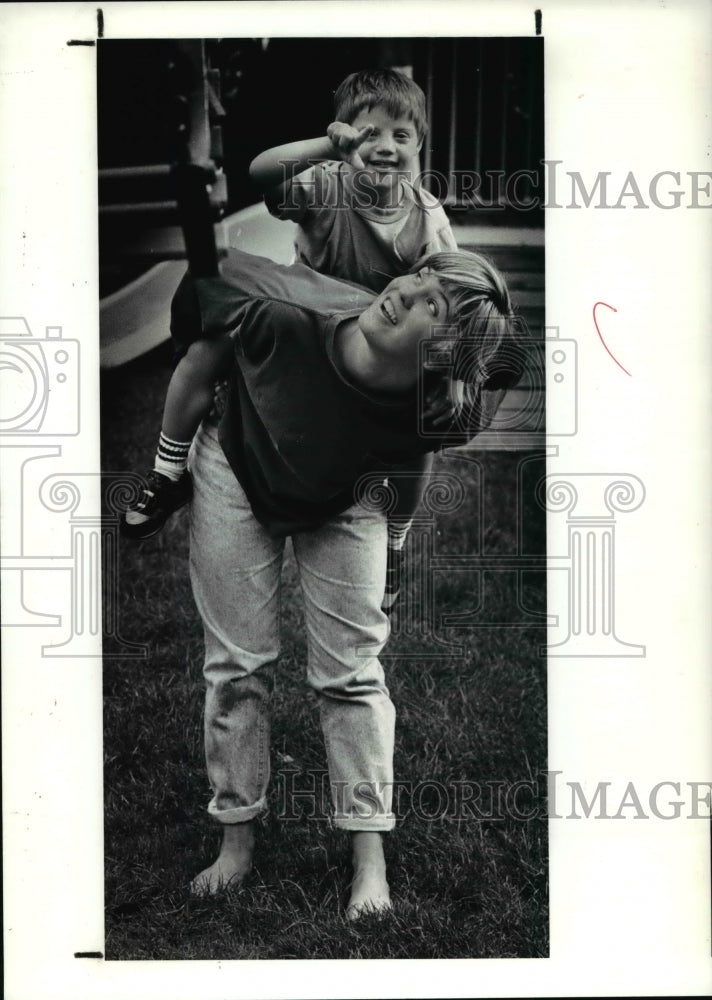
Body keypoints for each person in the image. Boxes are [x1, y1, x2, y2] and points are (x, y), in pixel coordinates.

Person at [175, 244, 522, 916]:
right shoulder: (286, 314)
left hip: (350, 494)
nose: (408, 290)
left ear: (443, 353)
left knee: (353, 673)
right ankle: (236, 841)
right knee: (236, 664)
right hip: (240, 466)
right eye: (423, 275)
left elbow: (411, 470)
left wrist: (393, 546)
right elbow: (207, 315)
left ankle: (370, 861)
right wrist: (165, 470)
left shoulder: (432, 401)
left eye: (434, 304)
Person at [122, 70, 457, 613]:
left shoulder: (427, 216)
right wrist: (327, 147)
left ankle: (394, 542)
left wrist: (454, 374)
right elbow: (260, 172)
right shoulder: (327, 182)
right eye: (368, 133)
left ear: (420, 144)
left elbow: (452, 296)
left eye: (401, 136)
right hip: (299, 322)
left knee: (421, 433)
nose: (386, 147)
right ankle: (168, 469)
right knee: (213, 340)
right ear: (343, 135)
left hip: (365, 347)